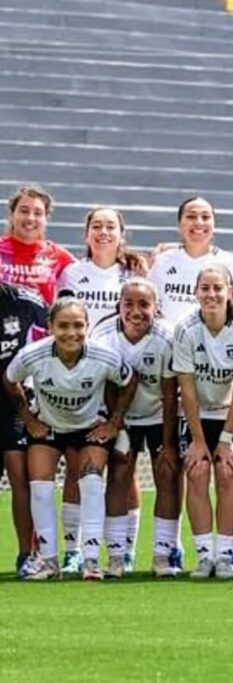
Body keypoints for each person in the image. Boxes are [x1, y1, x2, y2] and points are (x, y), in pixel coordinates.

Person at [3, 298, 134, 580]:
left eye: (78, 325)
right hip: (48, 428)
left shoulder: (105, 356)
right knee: (39, 487)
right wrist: (29, 419)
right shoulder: (32, 355)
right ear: (50, 327)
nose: (71, 332)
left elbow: (128, 380)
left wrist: (114, 423)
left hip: (88, 428)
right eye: (63, 325)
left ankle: (90, 562)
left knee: (90, 482)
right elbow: (10, 378)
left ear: (87, 326)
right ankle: (49, 564)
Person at [54, 206, 149, 575]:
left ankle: (124, 549)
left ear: (122, 233)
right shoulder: (73, 273)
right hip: (83, 381)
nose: (103, 232)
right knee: (80, 465)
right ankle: (74, 549)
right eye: (97, 226)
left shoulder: (135, 272)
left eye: (111, 226)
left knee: (125, 465)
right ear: (86, 233)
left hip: (124, 381)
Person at [89, 279, 177, 578]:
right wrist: (118, 426)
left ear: (156, 308)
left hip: (157, 416)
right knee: (119, 473)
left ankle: (163, 556)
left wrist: (167, 443)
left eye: (144, 304)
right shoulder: (102, 336)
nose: (136, 311)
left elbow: (169, 392)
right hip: (119, 415)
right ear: (119, 306)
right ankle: (116, 556)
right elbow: (104, 385)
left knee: (166, 474)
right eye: (129, 304)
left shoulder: (167, 337)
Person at [172, 265, 233, 579]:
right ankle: (205, 555)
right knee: (197, 470)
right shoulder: (186, 329)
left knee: (227, 472)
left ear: (229, 290)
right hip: (197, 416)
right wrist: (198, 440)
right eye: (204, 288)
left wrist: (226, 438)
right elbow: (187, 388)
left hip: (231, 415)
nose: (211, 294)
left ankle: (225, 554)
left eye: (218, 288)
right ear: (195, 293)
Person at [0, 280, 47, 575]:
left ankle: (27, 555)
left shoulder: (25, 301)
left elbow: (52, 339)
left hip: (14, 400)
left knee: (20, 473)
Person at [150, 196, 233, 327]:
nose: (199, 222)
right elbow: (151, 305)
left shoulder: (230, 263)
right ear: (179, 224)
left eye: (206, 217)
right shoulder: (163, 261)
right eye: (191, 217)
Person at [1, 185, 75, 304]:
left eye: (38, 213)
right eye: (24, 211)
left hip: (40, 322)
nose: (30, 218)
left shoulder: (58, 256)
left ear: (46, 219)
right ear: (12, 214)